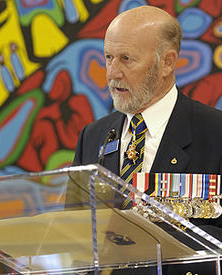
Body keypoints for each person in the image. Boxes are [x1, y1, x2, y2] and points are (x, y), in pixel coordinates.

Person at [71, 5, 222, 275]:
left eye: (127, 59)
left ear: (167, 62)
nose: (112, 72)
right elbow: (72, 234)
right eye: (108, 57)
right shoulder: (92, 137)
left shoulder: (215, 133)